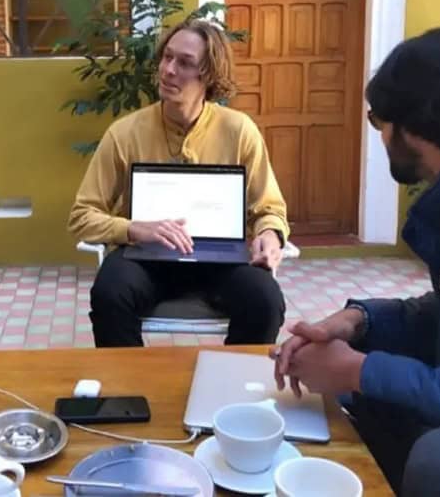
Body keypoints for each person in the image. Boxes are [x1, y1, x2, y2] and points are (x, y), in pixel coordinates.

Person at [271, 27, 440, 496]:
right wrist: (360, 321)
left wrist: (356, 370)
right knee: (370, 394)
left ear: (413, 124)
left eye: (377, 121)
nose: (379, 137)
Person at [68, 20, 289, 347]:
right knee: (109, 292)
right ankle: (130, 391)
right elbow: (82, 215)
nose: (168, 70)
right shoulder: (125, 133)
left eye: (184, 63)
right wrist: (134, 229)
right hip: (145, 260)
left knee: (265, 299)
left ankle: (233, 387)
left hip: (221, 262)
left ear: (210, 75)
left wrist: (270, 235)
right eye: (166, 58)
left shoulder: (239, 131)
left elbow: (268, 208)